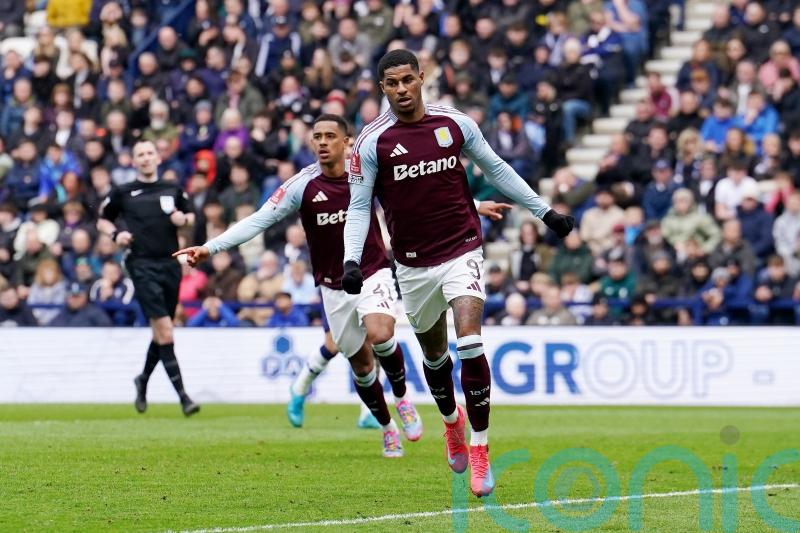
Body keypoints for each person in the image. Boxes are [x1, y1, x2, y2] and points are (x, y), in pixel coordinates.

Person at [342, 50, 574, 496]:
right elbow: (358, 206)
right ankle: (452, 421)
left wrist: (544, 212)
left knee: (469, 341)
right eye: (393, 83)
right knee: (434, 358)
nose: (402, 88)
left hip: (461, 249)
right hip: (411, 263)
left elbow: (497, 168)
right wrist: (353, 260)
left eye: (408, 79)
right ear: (383, 88)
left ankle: (482, 447)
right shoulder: (372, 142)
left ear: (422, 78)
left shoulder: (456, 124)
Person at [175, 115, 427, 457]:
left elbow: (414, 199)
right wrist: (211, 247)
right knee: (363, 367)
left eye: (330, 136)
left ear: (347, 142)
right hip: (332, 286)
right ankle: (386, 427)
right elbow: (259, 219)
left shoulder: (367, 173)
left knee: (382, 333)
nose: (322, 142)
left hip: (371, 271)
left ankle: (401, 398)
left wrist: (472, 205)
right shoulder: (302, 185)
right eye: (317, 137)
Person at [98, 140, 200, 417]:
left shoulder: (173, 189)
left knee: (162, 332)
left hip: (170, 265)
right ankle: (184, 398)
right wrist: (116, 235)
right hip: (141, 265)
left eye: (149, 153)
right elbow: (103, 219)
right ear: (133, 161)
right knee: (166, 330)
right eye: (139, 154)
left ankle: (142, 379)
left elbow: (192, 217)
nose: (145, 158)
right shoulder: (123, 192)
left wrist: (184, 221)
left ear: (158, 158)